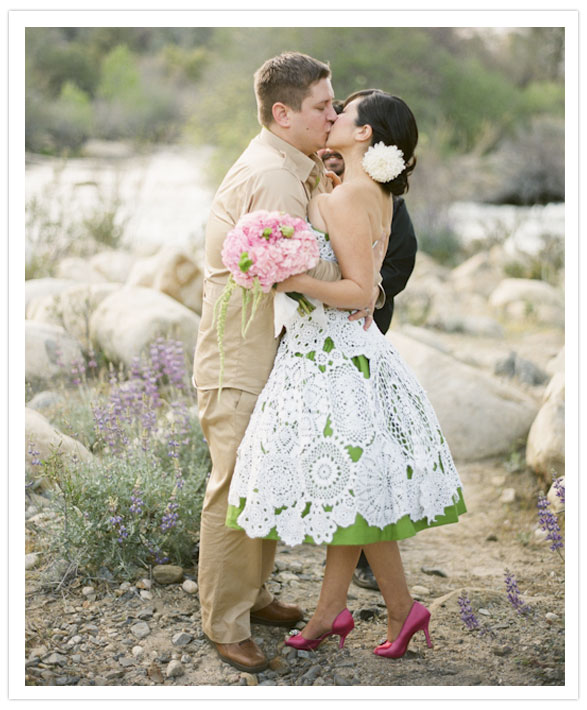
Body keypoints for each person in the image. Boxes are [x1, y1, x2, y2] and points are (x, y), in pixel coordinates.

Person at [226, 89, 466, 657]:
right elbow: (366, 276)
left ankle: (360, 613)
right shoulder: (369, 193)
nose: (334, 117)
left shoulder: (344, 197)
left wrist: (293, 280)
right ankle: (376, 611)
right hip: (347, 351)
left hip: (332, 358)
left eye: (345, 112)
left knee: (352, 492)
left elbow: (359, 290)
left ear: (364, 134)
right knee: (356, 495)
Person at [192, 52, 379, 674]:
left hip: (267, 351)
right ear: (283, 112)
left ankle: (255, 596)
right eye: (324, 106)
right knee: (233, 488)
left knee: (261, 476)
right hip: (238, 354)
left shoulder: (290, 165)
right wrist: (359, 271)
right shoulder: (273, 177)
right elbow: (299, 271)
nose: (333, 113)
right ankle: (225, 624)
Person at [318, 141, 419, 592]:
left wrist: (369, 296)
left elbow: (400, 257)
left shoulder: (376, 195)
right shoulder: (319, 183)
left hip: (360, 330)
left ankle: (363, 564)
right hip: (312, 335)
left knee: (360, 449)